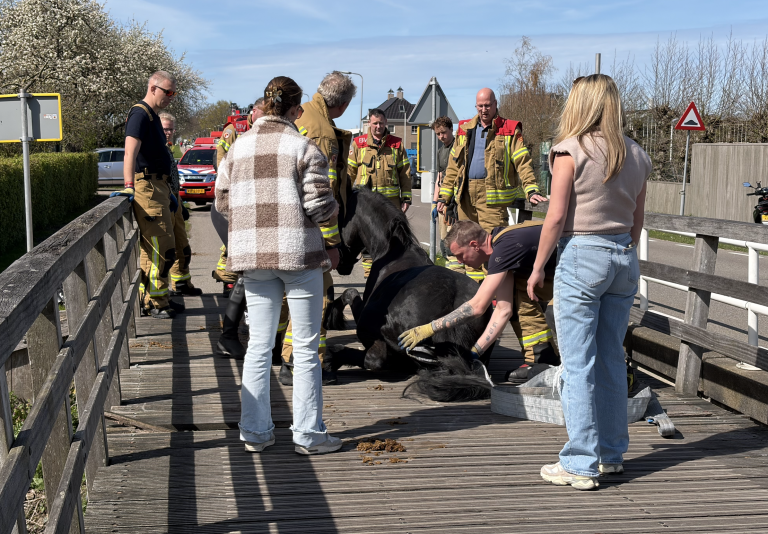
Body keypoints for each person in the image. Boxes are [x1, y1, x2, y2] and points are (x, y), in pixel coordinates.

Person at [527, 74, 650, 490]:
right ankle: (612, 453)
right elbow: (637, 222)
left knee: (578, 363)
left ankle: (580, 461)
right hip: (623, 258)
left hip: (582, 255)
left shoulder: (570, 149)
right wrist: (622, 254)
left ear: (579, 103)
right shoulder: (636, 153)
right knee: (612, 357)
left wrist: (538, 266)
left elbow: (556, 216)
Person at [215, 76, 343, 455]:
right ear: (295, 109)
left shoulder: (237, 148)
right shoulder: (303, 146)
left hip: (253, 258)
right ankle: (308, 435)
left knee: (257, 344)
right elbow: (320, 206)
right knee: (304, 348)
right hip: (297, 256)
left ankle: (255, 432)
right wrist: (333, 214)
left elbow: (221, 202)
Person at [397, 218, 559, 372]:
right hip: (560, 274)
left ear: (474, 245)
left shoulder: (505, 248)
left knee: (556, 314)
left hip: (576, 269)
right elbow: (503, 310)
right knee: (517, 293)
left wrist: (429, 328)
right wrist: (474, 353)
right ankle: (542, 357)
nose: (459, 262)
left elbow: (477, 307)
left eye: (460, 255)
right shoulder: (499, 253)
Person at [278, 71, 356, 386]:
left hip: (285, 222)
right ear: (343, 104)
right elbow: (323, 190)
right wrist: (332, 242)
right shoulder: (323, 132)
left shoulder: (302, 114)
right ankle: (302, 366)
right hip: (310, 229)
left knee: (291, 296)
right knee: (316, 297)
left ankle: (287, 359)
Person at [437, 88, 547, 284]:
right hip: (465, 197)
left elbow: (523, 162)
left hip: (493, 202)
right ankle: (473, 292)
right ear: (476, 106)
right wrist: (444, 197)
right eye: (480, 106)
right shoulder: (464, 129)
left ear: (496, 104)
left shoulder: (509, 130)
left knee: (492, 247)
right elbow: (453, 166)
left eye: (488, 105)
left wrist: (531, 189)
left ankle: (495, 298)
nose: (484, 110)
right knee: (467, 247)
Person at [111, 71, 183, 319]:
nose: (171, 97)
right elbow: (129, 152)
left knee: (152, 247)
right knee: (163, 248)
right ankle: (157, 301)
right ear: (153, 88)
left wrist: (166, 190)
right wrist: (129, 185)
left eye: (174, 93)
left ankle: (151, 298)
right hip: (148, 187)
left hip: (158, 187)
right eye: (168, 92)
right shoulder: (140, 113)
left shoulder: (151, 115)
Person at [215, 98, 266, 359]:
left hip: (246, 213)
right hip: (229, 211)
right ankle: (228, 337)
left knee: (253, 271)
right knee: (248, 271)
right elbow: (223, 169)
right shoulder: (241, 138)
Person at [347, 108, 412, 277]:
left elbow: (405, 173)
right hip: (367, 206)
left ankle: (394, 272)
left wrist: (406, 197)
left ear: (386, 123)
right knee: (367, 240)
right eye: (375, 123)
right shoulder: (358, 143)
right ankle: (370, 276)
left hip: (391, 205)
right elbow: (350, 172)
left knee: (394, 239)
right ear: (369, 123)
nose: (378, 126)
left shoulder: (396, 144)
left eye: (381, 123)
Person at [159, 112, 203, 297]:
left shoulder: (167, 147)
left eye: (170, 129)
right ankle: (161, 292)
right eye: (164, 129)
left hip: (175, 200)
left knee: (182, 245)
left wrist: (181, 205)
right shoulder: (154, 147)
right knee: (167, 247)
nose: (168, 132)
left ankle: (182, 282)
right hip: (164, 201)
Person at [430, 116, 462, 273]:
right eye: (438, 134)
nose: (441, 136)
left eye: (443, 132)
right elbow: (439, 178)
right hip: (443, 203)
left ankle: (458, 274)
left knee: (455, 241)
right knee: (444, 242)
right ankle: (450, 273)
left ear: (451, 129)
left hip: (456, 203)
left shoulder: (460, 147)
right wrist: (435, 202)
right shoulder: (440, 152)